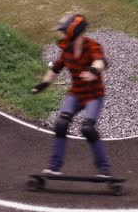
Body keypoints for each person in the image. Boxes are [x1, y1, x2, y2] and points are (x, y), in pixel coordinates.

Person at [32, 14, 111, 177]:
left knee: (88, 128)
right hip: (76, 94)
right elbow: (55, 69)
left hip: (94, 95)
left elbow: (101, 61)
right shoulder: (66, 50)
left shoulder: (92, 46)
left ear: (72, 33)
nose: (61, 36)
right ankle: (54, 168)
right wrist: (43, 84)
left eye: (63, 32)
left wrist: (93, 71)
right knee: (61, 124)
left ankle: (104, 170)